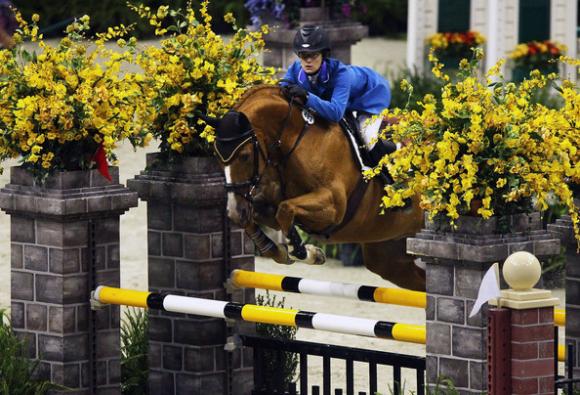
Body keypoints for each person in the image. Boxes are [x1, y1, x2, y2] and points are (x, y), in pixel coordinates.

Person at [280, 25, 395, 181]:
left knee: (367, 135)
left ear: (323, 55)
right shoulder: (295, 69)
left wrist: (307, 97)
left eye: (313, 55)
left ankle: (391, 177)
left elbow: (335, 113)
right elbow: (281, 90)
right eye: (303, 55)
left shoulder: (341, 74)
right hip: (343, 100)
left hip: (371, 95)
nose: (307, 60)